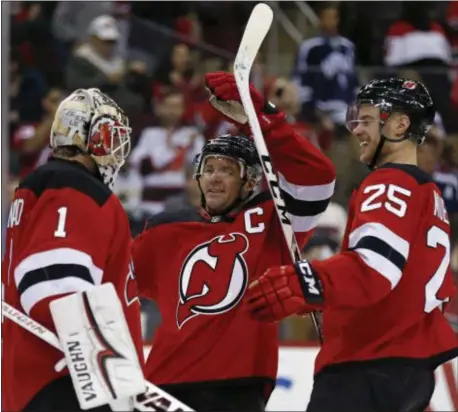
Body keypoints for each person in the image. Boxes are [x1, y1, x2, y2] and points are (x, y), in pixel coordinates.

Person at [247, 78, 458, 412]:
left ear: (400, 124)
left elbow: (373, 268)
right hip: (407, 369)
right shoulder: (427, 192)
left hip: (368, 365)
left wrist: (304, 282)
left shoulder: (390, 183)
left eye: (368, 120)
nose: (357, 129)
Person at [132, 71, 336, 411]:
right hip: (163, 386)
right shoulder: (167, 229)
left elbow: (318, 179)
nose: (213, 178)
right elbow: (111, 277)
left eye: (226, 169)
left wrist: (263, 119)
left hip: (238, 384)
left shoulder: (273, 221)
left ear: (250, 180)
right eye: (208, 168)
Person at [2, 88, 145, 411]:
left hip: (42, 385)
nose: (117, 149)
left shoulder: (43, 188)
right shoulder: (73, 188)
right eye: (113, 136)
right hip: (68, 385)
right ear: (93, 136)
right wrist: (115, 375)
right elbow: (52, 283)